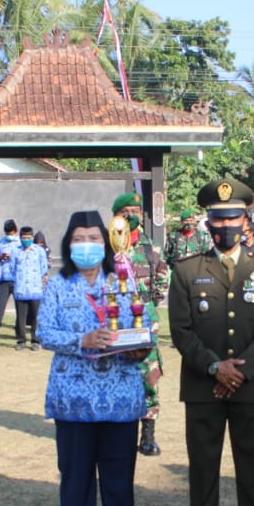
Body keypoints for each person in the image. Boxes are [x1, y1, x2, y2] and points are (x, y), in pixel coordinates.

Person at [168, 178, 254, 506]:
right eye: (217, 219)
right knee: (203, 469)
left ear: (245, 220)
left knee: (252, 468)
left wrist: (240, 370)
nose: (225, 226)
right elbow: (181, 331)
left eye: (232, 218)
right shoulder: (185, 271)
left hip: (250, 387)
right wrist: (216, 368)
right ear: (207, 222)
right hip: (203, 386)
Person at [37, 210, 152, 506]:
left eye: (93, 238)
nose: (86, 245)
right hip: (73, 399)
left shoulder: (124, 280)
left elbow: (145, 325)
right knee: (76, 478)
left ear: (107, 244)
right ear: (68, 243)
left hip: (120, 397)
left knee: (120, 480)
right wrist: (80, 339)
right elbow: (44, 333)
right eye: (78, 238)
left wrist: (140, 346)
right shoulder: (58, 285)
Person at [112, 193, 167, 455]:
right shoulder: (106, 248)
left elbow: (162, 281)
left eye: (135, 210)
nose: (131, 215)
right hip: (114, 321)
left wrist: (146, 306)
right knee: (116, 371)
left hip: (146, 321)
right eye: (125, 211)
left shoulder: (151, 248)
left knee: (148, 375)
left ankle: (147, 436)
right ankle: (118, 432)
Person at [12, 226, 48, 350]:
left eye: (29, 238)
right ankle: (21, 340)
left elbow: (44, 268)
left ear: (32, 238)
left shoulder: (39, 251)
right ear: (20, 238)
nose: (26, 240)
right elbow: (12, 268)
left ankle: (35, 340)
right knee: (21, 316)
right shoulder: (15, 251)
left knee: (35, 316)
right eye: (24, 238)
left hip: (35, 289)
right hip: (21, 288)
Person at [0, 219, 21, 336]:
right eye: (7, 233)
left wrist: (13, 256)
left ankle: (19, 330)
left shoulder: (20, 243)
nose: (9, 236)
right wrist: (1, 256)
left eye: (11, 233)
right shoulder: (1, 242)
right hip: (4, 278)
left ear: (15, 231)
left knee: (20, 307)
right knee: (0, 305)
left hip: (17, 278)